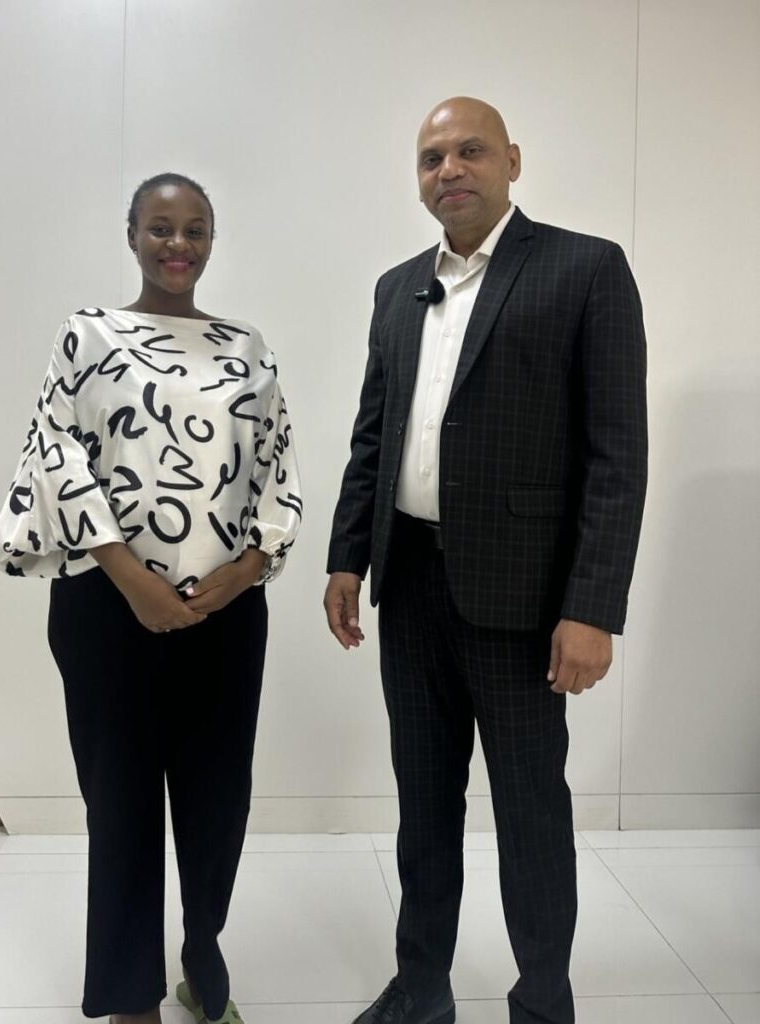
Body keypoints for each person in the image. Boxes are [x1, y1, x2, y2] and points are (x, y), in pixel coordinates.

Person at [324, 98, 647, 1024]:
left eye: (468, 151)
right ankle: (420, 988)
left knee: (529, 815)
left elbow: (616, 453)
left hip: (524, 601)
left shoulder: (583, 269)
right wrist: (348, 558)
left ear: (511, 160)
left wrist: (592, 607)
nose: (448, 170)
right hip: (409, 587)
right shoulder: (396, 288)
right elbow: (374, 434)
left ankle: (542, 1003)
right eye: (431, 158)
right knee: (423, 810)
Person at [0, 173, 302, 1024]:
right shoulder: (89, 334)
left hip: (224, 613)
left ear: (211, 240)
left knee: (217, 805)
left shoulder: (246, 347)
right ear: (130, 234)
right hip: (108, 610)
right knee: (121, 806)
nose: (178, 244)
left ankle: (202, 961)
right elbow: (55, 457)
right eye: (160, 228)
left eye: (195, 229)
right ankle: (132, 999)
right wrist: (133, 580)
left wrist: (245, 572)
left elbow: (276, 468)